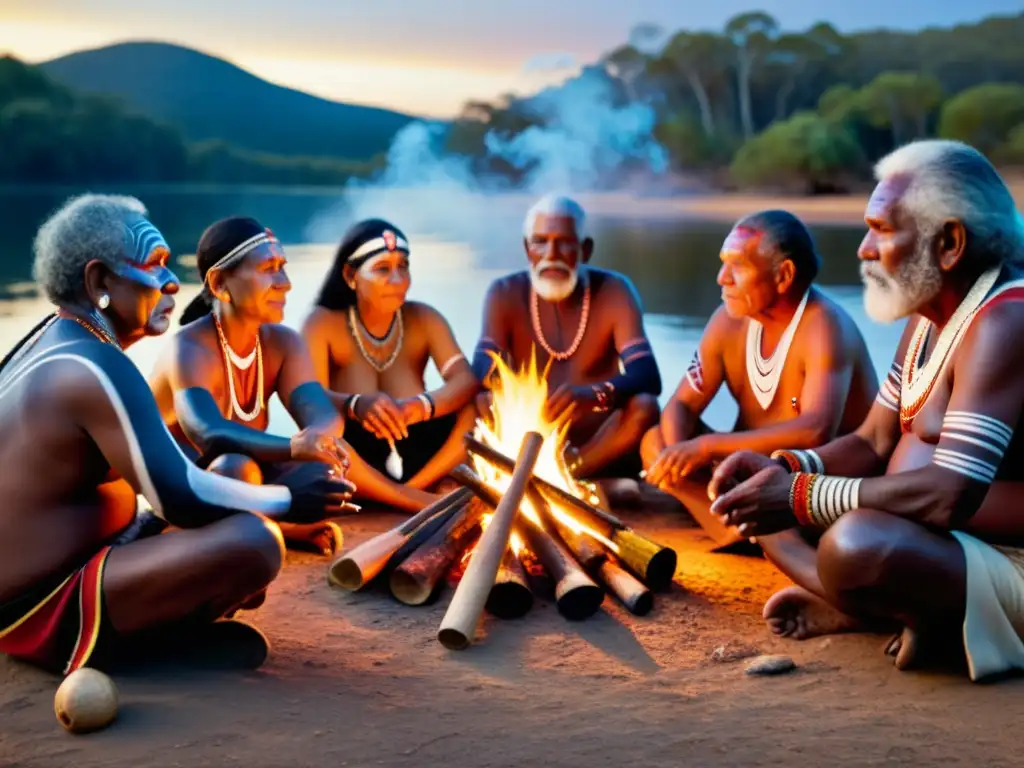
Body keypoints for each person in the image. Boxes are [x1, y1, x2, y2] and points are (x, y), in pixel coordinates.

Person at [708, 139, 1024, 682]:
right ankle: (892, 606)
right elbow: (874, 441)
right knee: (768, 520)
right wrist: (784, 471)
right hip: (944, 545)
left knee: (855, 545)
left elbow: (950, 494)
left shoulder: (1006, 320)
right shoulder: (929, 315)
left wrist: (801, 499)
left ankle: (877, 608)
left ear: (949, 243)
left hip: (1009, 560)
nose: (862, 248)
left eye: (880, 229)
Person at [0, 194, 354, 676]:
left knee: (232, 472)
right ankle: (151, 645)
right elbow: (178, 497)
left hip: (98, 554)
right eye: (156, 265)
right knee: (255, 541)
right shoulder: (91, 364)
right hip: (41, 605)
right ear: (99, 280)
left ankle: (164, 621)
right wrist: (289, 500)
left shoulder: (57, 336)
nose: (171, 283)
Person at [640, 210, 878, 548]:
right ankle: (740, 528)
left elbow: (816, 429)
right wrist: (681, 455)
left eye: (737, 266)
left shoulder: (824, 326)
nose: (722, 278)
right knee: (655, 442)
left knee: (684, 451)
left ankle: (750, 529)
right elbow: (681, 402)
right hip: (746, 469)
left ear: (784, 275)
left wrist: (704, 447)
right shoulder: (727, 320)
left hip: (809, 480)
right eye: (723, 263)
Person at [150, 216, 353, 557]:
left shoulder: (284, 343)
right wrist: (294, 445)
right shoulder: (188, 348)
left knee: (327, 472)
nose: (285, 283)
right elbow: (208, 433)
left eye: (283, 267)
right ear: (218, 283)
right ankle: (273, 534)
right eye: (269, 268)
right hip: (186, 487)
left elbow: (321, 413)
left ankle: (273, 527)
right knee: (236, 468)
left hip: (246, 480)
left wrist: (320, 438)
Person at [473, 194, 661, 480]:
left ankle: (568, 479)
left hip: (598, 439)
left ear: (585, 249)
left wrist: (589, 396)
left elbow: (647, 375)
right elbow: (481, 370)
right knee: (482, 401)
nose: (552, 254)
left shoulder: (614, 290)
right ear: (527, 249)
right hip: (529, 430)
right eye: (540, 241)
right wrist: (531, 396)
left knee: (645, 407)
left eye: (564, 242)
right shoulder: (504, 292)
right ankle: (566, 482)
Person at [302, 218, 479, 513]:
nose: (398, 279)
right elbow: (308, 397)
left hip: (418, 446)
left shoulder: (425, 318)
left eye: (404, 266)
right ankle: (414, 499)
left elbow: (465, 380)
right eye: (383, 268)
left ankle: (412, 490)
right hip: (356, 453)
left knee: (480, 407)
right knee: (324, 431)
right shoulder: (322, 323)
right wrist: (355, 404)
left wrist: (419, 406)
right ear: (350, 275)